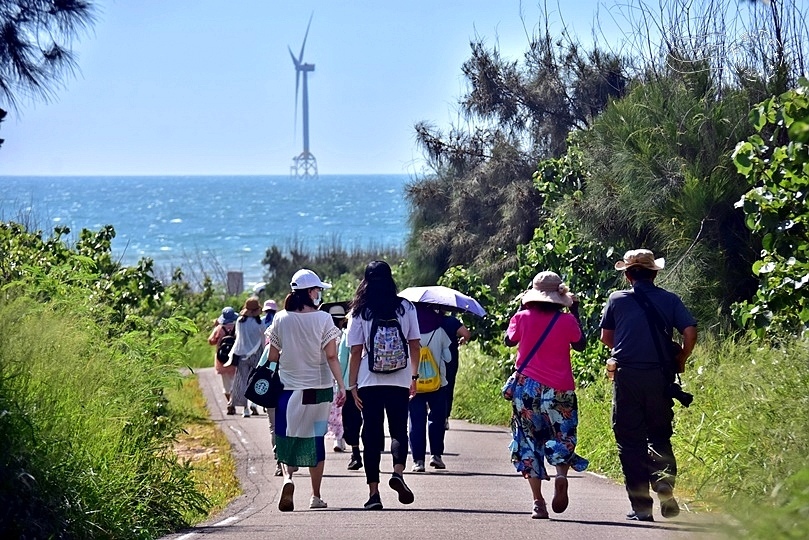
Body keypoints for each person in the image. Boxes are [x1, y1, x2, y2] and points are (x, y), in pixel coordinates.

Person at [599, 249, 697, 522]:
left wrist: (628, 345)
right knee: (659, 436)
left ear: (628, 275)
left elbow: (607, 337)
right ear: (654, 274)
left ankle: (642, 507)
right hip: (659, 378)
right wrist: (681, 356)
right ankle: (664, 484)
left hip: (627, 375)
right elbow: (690, 331)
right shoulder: (669, 299)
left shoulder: (616, 299)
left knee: (630, 441)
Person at [505, 271, 589, 519]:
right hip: (560, 389)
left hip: (526, 390)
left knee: (529, 440)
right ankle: (561, 475)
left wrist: (521, 310)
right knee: (563, 435)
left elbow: (509, 341)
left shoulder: (521, 317)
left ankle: (538, 502)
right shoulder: (566, 321)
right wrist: (575, 311)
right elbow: (581, 344)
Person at [265, 269, 346, 512]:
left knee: (289, 435)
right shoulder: (323, 319)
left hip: (288, 389)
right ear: (310, 292)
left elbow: (272, 357)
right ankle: (315, 496)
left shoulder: (280, 319)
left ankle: (288, 479)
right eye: (318, 290)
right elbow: (331, 356)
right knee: (315, 437)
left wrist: (272, 376)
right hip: (319, 389)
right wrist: (341, 385)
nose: (319, 294)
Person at [347, 260, 421, 510]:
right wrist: (413, 376)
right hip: (400, 380)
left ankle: (373, 494)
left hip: (369, 381)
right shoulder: (405, 307)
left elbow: (356, 351)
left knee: (371, 434)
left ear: (365, 281)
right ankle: (398, 473)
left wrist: (352, 385)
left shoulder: (359, 311)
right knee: (399, 430)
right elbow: (414, 344)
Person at [409, 303, 451, 472]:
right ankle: (436, 456)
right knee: (437, 419)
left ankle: (418, 461)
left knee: (416, 421)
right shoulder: (439, 331)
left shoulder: (410, 333)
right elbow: (447, 358)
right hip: (438, 383)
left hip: (414, 383)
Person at [226, 297, 266, 418]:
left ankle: (245, 409)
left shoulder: (239, 322)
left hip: (242, 354)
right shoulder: (260, 323)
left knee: (241, 381)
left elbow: (238, 337)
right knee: (255, 380)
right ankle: (254, 403)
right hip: (257, 354)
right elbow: (263, 341)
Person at [324, 303, 348, 453]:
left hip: (327, 375)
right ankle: (340, 439)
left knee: (332, 409)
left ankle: (337, 438)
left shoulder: (325, 333)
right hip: (341, 375)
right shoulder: (344, 334)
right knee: (341, 409)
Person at [440, 312, 471, 429]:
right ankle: (445, 417)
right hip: (450, 358)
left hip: (431, 357)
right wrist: (463, 339)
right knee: (448, 385)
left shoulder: (429, 320)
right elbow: (466, 334)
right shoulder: (452, 321)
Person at [207, 306, 238, 415]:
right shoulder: (237, 327)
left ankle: (230, 403)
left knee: (226, 385)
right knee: (235, 383)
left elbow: (211, 341)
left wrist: (215, 328)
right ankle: (233, 402)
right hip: (234, 359)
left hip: (222, 360)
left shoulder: (219, 329)